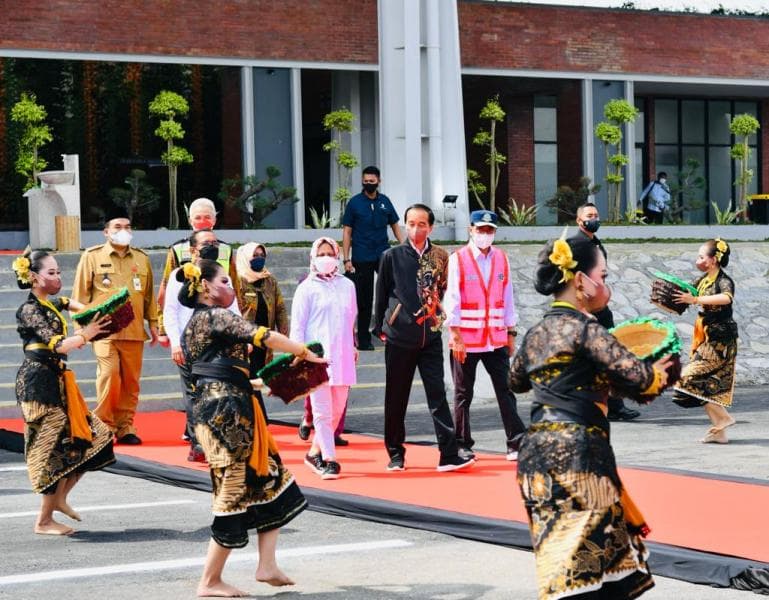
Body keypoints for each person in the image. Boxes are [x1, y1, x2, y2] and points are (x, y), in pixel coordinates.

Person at [509, 235, 673, 600]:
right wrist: (663, 370)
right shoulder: (587, 330)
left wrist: (596, 379)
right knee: (579, 576)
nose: (606, 284)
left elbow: (516, 379)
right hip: (579, 457)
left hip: (535, 457)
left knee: (573, 562)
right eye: (603, 274)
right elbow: (642, 383)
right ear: (581, 280)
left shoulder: (538, 333)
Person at [176, 259, 325, 596]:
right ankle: (210, 581)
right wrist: (304, 352)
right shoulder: (214, 316)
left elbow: (222, 371)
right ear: (205, 287)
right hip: (224, 413)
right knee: (232, 489)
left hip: (230, 402)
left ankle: (266, 564)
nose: (231, 287)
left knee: (268, 477)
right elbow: (264, 336)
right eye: (225, 281)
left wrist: (264, 382)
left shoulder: (198, 324)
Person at [13, 249, 115, 536]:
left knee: (95, 438)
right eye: (51, 273)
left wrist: (95, 311)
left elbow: (71, 303)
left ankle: (59, 500)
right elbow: (58, 345)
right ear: (33, 277)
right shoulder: (29, 310)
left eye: (58, 272)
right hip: (38, 385)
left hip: (57, 382)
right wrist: (87, 333)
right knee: (54, 449)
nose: (58, 278)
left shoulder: (50, 304)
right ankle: (44, 519)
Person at [373, 203, 474, 473]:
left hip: (429, 336)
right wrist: (379, 327)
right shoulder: (391, 256)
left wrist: (446, 324)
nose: (415, 229)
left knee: (437, 395)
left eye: (421, 224)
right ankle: (395, 453)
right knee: (396, 397)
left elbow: (447, 294)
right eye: (411, 223)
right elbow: (381, 294)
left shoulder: (442, 257)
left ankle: (448, 454)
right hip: (399, 336)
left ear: (431, 227)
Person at [443, 209, 526, 462]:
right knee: (462, 394)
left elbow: (508, 298)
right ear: (471, 229)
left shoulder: (502, 258)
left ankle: (516, 441)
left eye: (490, 231)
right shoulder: (458, 259)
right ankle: (462, 443)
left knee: (505, 390)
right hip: (466, 340)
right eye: (481, 230)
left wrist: (511, 332)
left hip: (496, 339)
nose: (485, 234)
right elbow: (452, 299)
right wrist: (455, 334)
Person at [71, 210, 159, 444]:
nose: (124, 231)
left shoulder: (141, 258)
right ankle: (104, 426)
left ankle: (125, 426)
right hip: (104, 331)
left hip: (134, 331)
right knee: (109, 376)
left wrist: (154, 324)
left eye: (128, 227)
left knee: (131, 382)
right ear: (106, 232)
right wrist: (81, 329)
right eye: (118, 227)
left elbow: (149, 296)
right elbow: (79, 296)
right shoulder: (91, 256)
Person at [164, 229, 241, 462]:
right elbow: (170, 312)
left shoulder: (221, 273)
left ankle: (216, 439)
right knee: (194, 394)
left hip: (217, 344)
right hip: (189, 343)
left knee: (216, 393)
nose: (212, 245)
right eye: (207, 242)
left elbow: (233, 305)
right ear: (192, 249)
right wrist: (175, 343)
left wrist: (242, 337)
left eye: (215, 242)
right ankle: (198, 443)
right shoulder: (180, 275)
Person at [290, 237, 357, 480]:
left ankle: (314, 452)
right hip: (315, 358)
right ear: (312, 258)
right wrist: (298, 355)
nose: (326, 258)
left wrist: (354, 344)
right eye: (321, 254)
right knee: (321, 411)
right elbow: (297, 327)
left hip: (343, 355)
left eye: (330, 253)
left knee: (337, 409)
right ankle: (329, 459)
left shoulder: (347, 285)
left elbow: (351, 319)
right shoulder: (306, 288)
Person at [571, 202, 641, 422]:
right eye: (589, 215)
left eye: (596, 214)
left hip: (601, 309)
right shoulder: (574, 245)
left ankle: (615, 406)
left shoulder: (596, 243)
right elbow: (572, 281)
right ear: (578, 220)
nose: (594, 218)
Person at [672, 238, 738, 444]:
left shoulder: (724, 281)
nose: (698, 260)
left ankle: (724, 419)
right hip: (707, 338)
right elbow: (686, 294)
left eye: (701, 257)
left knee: (686, 379)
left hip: (721, 341)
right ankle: (720, 432)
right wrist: (665, 299)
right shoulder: (703, 280)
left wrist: (696, 300)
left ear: (713, 260)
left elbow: (726, 298)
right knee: (706, 386)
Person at [157, 197, 240, 345]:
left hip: (220, 317)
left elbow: (237, 290)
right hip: (187, 317)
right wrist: (163, 329)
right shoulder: (177, 249)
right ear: (190, 220)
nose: (203, 221)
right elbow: (165, 289)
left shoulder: (226, 249)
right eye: (198, 217)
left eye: (207, 217)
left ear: (214, 220)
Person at [342, 165, 403, 350]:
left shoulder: (385, 201)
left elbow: (395, 225)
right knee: (364, 299)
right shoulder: (354, 203)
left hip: (384, 255)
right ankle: (363, 338)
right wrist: (346, 258)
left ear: (378, 182)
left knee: (392, 293)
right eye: (365, 181)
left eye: (372, 181)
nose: (368, 184)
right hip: (362, 256)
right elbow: (347, 232)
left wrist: (405, 246)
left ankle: (382, 330)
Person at [235, 242, 289, 378]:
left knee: (257, 377)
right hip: (244, 341)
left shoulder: (270, 280)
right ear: (246, 257)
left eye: (262, 255)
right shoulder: (237, 281)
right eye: (255, 255)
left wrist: (284, 335)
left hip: (264, 340)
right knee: (246, 378)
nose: (259, 258)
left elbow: (280, 308)